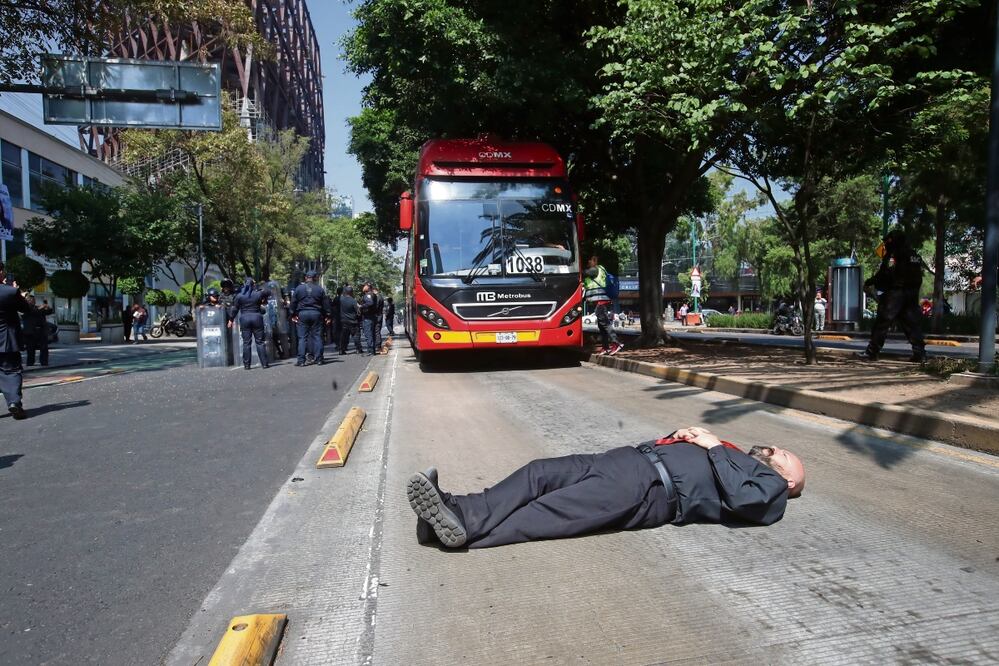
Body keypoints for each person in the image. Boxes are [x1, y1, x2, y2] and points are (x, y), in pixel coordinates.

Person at [406, 425, 805, 549]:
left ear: (789, 480)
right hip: (625, 459)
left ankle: (455, 533)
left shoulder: (770, 487)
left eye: (786, 455)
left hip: (649, 489)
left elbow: (743, 497)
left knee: (548, 512)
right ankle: (452, 510)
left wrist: (714, 444)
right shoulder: (741, 456)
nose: (779, 450)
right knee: (538, 472)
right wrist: (682, 435)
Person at [858, 228, 926, 363]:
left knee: (882, 322)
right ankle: (920, 353)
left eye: (888, 241)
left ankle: (872, 352)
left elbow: (885, 273)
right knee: (912, 324)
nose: (886, 244)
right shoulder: (914, 255)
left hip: (896, 293)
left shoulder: (895, 254)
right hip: (912, 294)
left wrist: (871, 282)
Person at [1, 263, 30, 419]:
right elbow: (26, 309)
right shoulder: (10, 292)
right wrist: (21, 295)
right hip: (6, 340)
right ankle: (14, 402)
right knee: (11, 371)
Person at [583, 255, 622, 355]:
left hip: (601, 301)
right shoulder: (600, 270)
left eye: (590, 260)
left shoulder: (595, 270)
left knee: (605, 323)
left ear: (595, 261)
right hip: (601, 301)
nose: (588, 262)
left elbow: (583, 273)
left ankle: (616, 343)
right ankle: (606, 347)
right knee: (601, 326)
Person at [228, 277, 269, 369]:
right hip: (257, 317)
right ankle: (264, 364)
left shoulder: (239, 296)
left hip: (244, 318)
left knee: (246, 343)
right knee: (260, 342)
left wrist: (231, 319)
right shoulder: (258, 294)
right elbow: (268, 292)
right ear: (253, 284)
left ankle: (247, 365)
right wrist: (260, 291)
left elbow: (235, 309)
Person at [291, 270, 329, 366]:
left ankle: (301, 360)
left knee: (302, 338)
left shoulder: (299, 289)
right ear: (315, 278)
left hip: (302, 313)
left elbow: (293, 302)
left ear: (306, 278)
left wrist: (292, 314)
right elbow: (325, 304)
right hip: (316, 313)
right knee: (317, 337)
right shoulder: (320, 289)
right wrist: (328, 315)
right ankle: (319, 359)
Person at [21, 295, 52, 366]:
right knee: (30, 348)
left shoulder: (38, 307)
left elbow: (49, 312)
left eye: (33, 300)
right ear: (27, 301)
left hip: (41, 330)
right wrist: (41, 307)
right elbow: (33, 312)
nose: (33, 301)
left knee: (44, 347)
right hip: (30, 331)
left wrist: (47, 307)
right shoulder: (25, 308)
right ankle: (30, 363)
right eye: (30, 300)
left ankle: (44, 362)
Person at [339, 285, 363, 354]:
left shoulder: (341, 300)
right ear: (351, 292)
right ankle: (358, 349)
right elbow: (358, 312)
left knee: (344, 336)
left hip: (344, 321)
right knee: (356, 335)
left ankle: (342, 350)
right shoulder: (353, 301)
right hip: (353, 321)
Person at [359, 283, 379, 355]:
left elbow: (370, 303)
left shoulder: (368, 295)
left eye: (364, 286)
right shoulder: (372, 294)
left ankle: (370, 350)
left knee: (368, 334)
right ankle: (372, 350)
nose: (363, 287)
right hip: (372, 317)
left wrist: (361, 306)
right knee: (372, 334)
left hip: (368, 317)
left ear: (368, 287)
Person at [372, 286, 386, 353]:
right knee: (377, 331)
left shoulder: (378, 297)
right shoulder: (380, 297)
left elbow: (376, 306)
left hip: (377, 316)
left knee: (377, 331)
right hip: (379, 315)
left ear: (375, 290)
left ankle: (378, 345)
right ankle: (378, 345)